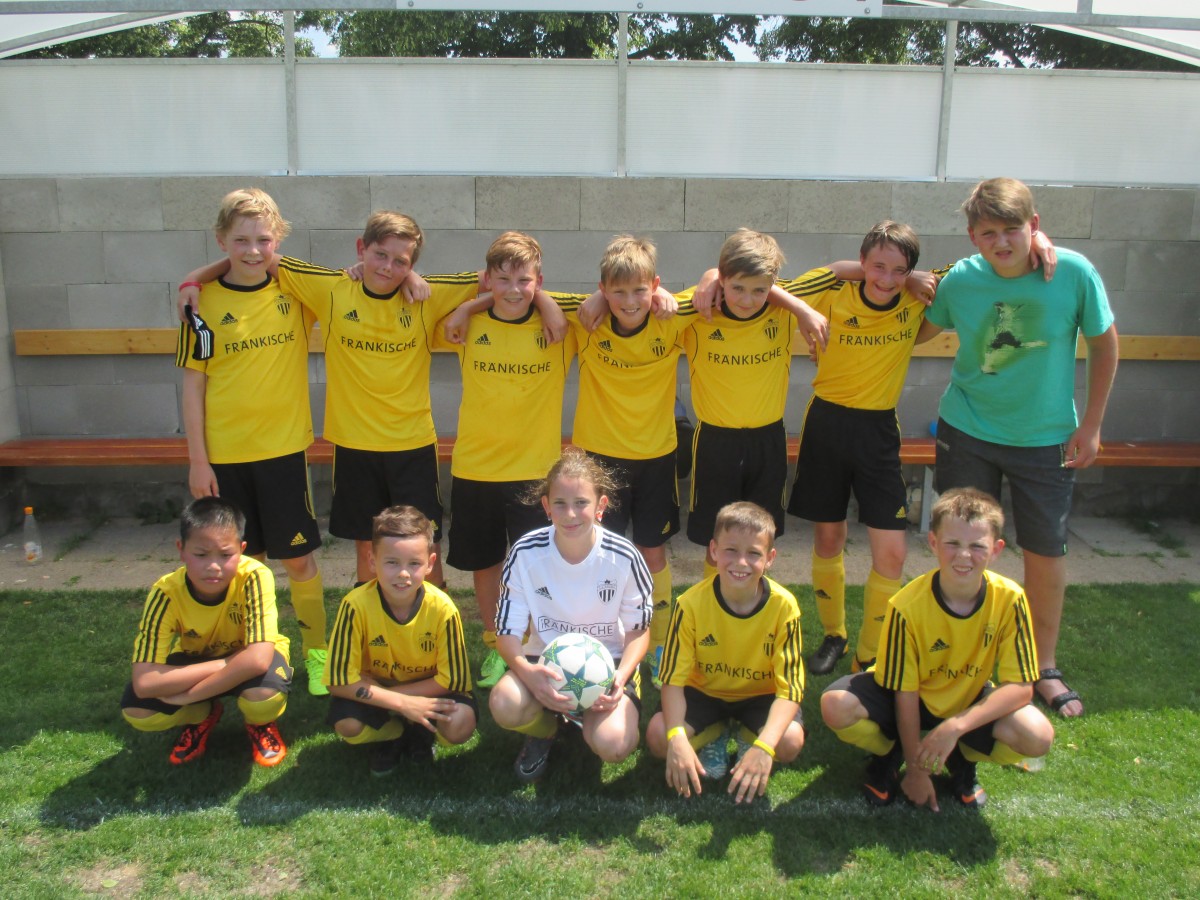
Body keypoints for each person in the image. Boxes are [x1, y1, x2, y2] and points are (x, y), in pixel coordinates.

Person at [924, 178, 1118, 718]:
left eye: (1012, 229)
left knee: (1045, 551)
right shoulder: (961, 279)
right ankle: (966, 658)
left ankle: (1042, 666)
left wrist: (1092, 424)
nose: (1001, 242)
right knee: (961, 546)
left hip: (1045, 438)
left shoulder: (1073, 272)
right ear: (972, 237)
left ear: (1034, 226)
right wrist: (912, 282)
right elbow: (913, 329)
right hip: (967, 431)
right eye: (988, 233)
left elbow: (1105, 345)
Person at [174, 188, 327, 696]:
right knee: (246, 563)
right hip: (225, 457)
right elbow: (193, 385)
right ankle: (263, 649)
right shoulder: (201, 305)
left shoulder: (295, 292)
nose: (253, 250)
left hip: (283, 453)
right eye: (240, 240)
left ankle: (318, 654)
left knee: (298, 560)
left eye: (263, 239)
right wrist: (198, 460)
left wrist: (194, 273)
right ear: (221, 240)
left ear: (278, 240)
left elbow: (354, 285)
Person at [821, 487, 1054, 810]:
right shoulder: (907, 605)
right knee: (836, 705)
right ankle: (890, 754)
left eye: (977, 546)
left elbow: (1021, 688)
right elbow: (905, 692)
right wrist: (916, 771)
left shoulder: (1010, 599)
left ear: (997, 549)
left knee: (1037, 735)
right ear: (933, 542)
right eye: (952, 543)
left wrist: (956, 727)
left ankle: (963, 758)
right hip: (908, 697)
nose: (964, 556)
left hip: (966, 699)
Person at [778, 222, 942, 677]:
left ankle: (868, 656)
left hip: (879, 431)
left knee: (892, 553)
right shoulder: (835, 292)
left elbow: (977, 265)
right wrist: (852, 272)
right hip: (826, 423)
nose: (887, 279)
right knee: (829, 537)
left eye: (899, 270)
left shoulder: (916, 298)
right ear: (862, 261)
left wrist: (917, 279)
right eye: (878, 267)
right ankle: (835, 635)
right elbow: (774, 288)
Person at [431, 231, 579, 690]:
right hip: (476, 468)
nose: (514, 290)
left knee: (538, 567)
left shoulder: (560, 328)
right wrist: (470, 305)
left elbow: (604, 301)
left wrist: (547, 303)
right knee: (488, 563)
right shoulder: (466, 325)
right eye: (503, 280)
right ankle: (497, 644)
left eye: (525, 280)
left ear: (540, 281)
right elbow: (428, 299)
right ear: (488, 279)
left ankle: (534, 644)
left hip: (535, 472)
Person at [566, 235, 695, 684]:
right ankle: (602, 639)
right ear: (603, 288)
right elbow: (530, 294)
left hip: (656, 458)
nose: (629, 301)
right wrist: (592, 300)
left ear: (655, 286)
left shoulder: (671, 319)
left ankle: (658, 642)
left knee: (651, 550)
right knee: (599, 552)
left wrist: (673, 294)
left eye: (640, 289)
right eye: (617, 291)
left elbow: (718, 283)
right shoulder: (586, 320)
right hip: (599, 460)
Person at [488, 448, 653, 783]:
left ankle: (587, 720)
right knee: (504, 703)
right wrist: (527, 672)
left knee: (614, 744)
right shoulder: (525, 553)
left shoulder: (624, 557)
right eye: (560, 503)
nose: (571, 514)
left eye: (581, 502)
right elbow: (506, 631)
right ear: (546, 506)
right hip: (543, 662)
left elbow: (639, 630)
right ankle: (546, 730)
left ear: (601, 506)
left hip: (610, 664)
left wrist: (620, 676)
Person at [676, 229, 828, 567]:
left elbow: (840, 271)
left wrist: (801, 307)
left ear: (773, 284)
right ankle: (714, 600)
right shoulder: (698, 306)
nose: (747, 300)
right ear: (723, 279)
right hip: (715, 441)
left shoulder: (784, 306)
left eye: (759, 290)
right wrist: (709, 277)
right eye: (738, 289)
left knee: (761, 537)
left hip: (768, 441)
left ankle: (757, 599)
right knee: (716, 539)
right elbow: (645, 301)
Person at [646, 501, 805, 805]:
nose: (741, 562)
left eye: (754, 553)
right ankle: (715, 730)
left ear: (770, 558)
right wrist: (676, 737)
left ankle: (749, 738)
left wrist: (764, 747)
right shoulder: (690, 605)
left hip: (760, 695)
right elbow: (673, 681)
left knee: (789, 743)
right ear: (714, 551)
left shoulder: (785, 607)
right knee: (658, 737)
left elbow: (790, 691)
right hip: (704, 693)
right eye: (731, 550)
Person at [121, 497, 292, 767]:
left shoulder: (255, 576)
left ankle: (259, 722)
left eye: (225, 555)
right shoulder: (165, 592)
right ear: (181, 550)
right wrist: (228, 663)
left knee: (263, 699)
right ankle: (202, 715)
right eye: (201, 555)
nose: (213, 566)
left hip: (250, 657)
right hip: (201, 659)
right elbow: (144, 682)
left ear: (242, 550)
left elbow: (258, 659)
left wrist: (188, 696)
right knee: (139, 710)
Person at [324, 506, 477, 776]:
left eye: (414, 563)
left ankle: (421, 731)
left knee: (460, 724)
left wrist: (400, 699)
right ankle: (393, 735)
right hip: (380, 690)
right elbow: (337, 681)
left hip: (423, 692)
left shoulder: (443, 608)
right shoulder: (354, 605)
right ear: (372, 561)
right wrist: (400, 705)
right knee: (347, 725)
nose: (403, 573)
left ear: (430, 563)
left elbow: (450, 681)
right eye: (392, 562)